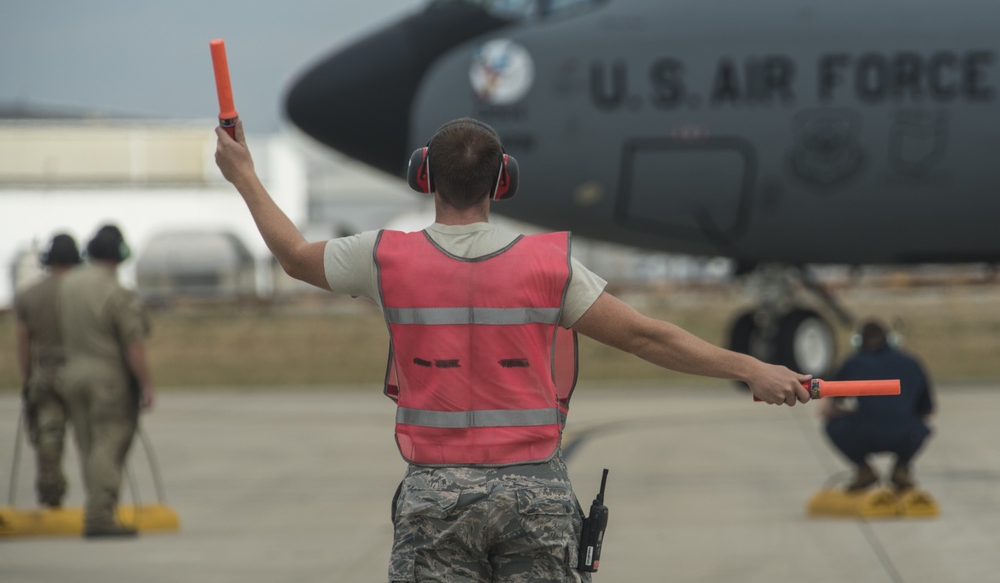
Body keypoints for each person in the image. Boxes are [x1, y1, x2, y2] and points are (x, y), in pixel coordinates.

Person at [215, 117, 810, 582]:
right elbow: (646, 335)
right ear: (504, 180)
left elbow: (293, 256)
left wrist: (243, 172)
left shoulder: (383, 257)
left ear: (424, 176)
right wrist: (751, 368)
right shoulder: (547, 266)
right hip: (536, 497)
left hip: (436, 496)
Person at [60, 224, 155, 538]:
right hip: (107, 379)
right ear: (120, 254)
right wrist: (145, 384)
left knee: (88, 444)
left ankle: (96, 506)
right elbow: (134, 344)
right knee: (108, 444)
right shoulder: (117, 292)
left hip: (72, 374)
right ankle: (100, 516)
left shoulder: (68, 286)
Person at [820, 319, 934, 492]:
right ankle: (901, 468)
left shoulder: (853, 363)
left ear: (859, 341)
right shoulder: (911, 362)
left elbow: (826, 409)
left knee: (832, 426)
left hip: (865, 434)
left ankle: (864, 470)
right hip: (906, 436)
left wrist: (850, 413)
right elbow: (928, 410)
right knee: (922, 427)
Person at [14, 233, 82, 508]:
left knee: (48, 435)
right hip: (81, 371)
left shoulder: (29, 295)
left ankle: (51, 492)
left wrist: (28, 379)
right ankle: (101, 496)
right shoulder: (84, 291)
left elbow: (23, 341)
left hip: (47, 373)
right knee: (90, 436)